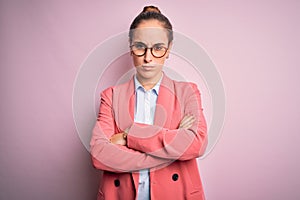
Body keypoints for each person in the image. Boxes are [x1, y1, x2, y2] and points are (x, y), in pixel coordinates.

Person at [90, 5, 208, 200]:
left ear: (169, 49)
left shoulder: (188, 92)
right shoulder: (110, 96)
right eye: (140, 47)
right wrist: (170, 147)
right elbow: (99, 154)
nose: (148, 57)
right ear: (131, 47)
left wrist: (129, 137)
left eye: (158, 48)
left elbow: (196, 144)